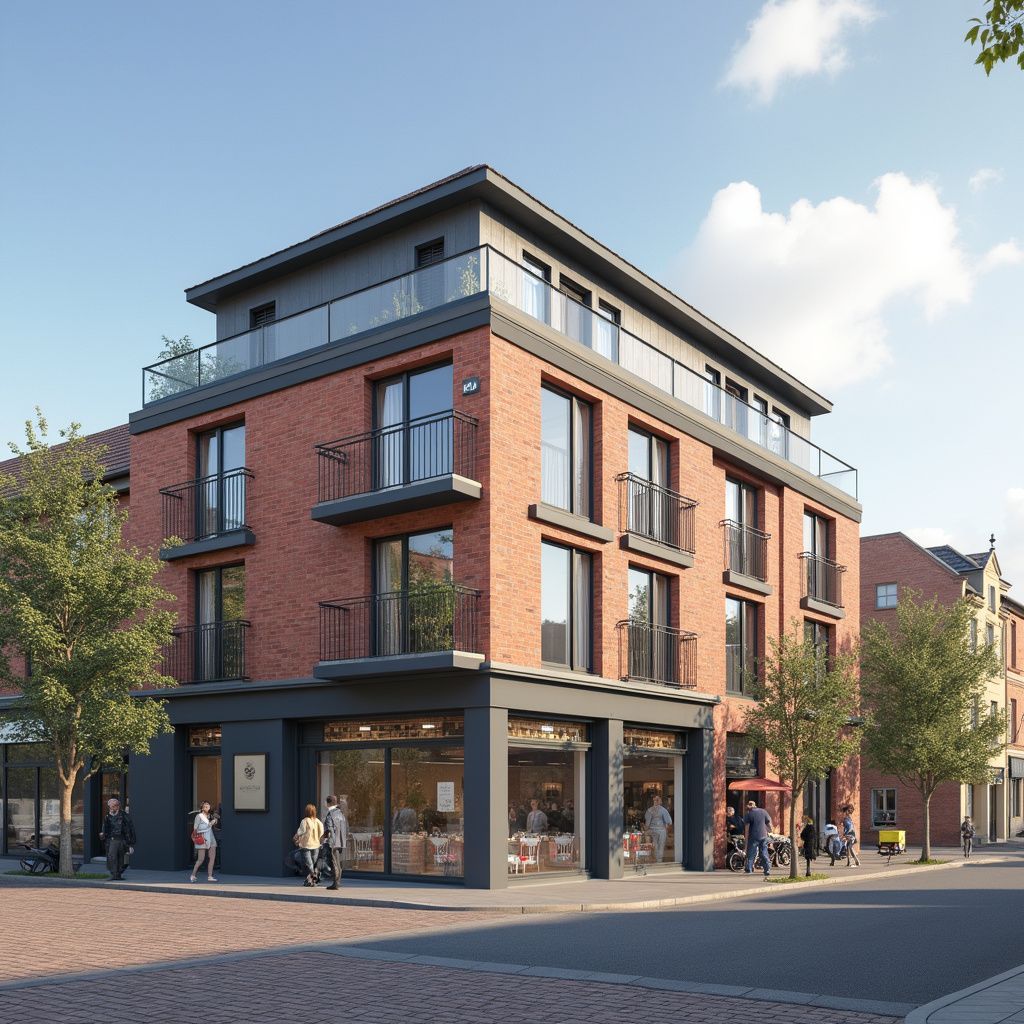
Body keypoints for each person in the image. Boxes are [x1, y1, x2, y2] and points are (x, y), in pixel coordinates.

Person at [99, 797, 136, 880]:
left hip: (122, 839)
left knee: (123, 858)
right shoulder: (107, 816)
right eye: (110, 806)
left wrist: (131, 842)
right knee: (112, 857)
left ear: (118, 806)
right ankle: (114, 874)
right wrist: (103, 835)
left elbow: (130, 828)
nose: (112, 808)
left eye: (114, 806)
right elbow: (104, 828)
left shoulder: (124, 815)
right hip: (112, 840)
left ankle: (118, 874)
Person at [293, 803, 324, 887]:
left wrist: (296, 836)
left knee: (309, 864)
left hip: (306, 845)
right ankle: (312, 880)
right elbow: (321, 831)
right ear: (314, 811)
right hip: (316, 845)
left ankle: (312, 878)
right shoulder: (317, 821)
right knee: (312, 863)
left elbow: (301, 831)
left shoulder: (305, 820)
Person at [323, 794, 348, 890]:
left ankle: (335, 883)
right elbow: (345, 827)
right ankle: (338, 881)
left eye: (325, 802)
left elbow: (329, 828)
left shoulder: (330, 814)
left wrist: (328, 839)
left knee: (334, 862)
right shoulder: (340, 813)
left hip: (333, 841)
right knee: (338, 862)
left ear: (328, 803)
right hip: (340, 841)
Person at [742, 799, 773, 878]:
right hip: (764, 835)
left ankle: (749, 869)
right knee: (763, 852)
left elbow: (747, 828)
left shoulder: (748, 814)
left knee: (751, 853)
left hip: (753, 836)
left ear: (749, 807)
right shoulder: (763, 811)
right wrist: (769, 831)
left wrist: (746, 839)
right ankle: (767, 869)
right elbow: (769, 823)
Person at [189, 801, 218, 882]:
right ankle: (193, 875)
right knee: (201, 859)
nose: (207, 807)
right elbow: (196, 829)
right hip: (203, 839)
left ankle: (210, 876)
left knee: (212, 858)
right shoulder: (199, 816)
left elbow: (215, 825)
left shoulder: (210, 815)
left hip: (211, 838)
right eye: (205, 806)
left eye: (208, 805)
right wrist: (209, 825)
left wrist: (214, 821)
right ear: (202, 808)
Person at [644, 794, 673, 862]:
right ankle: (659, 860)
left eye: (657, 800)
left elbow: (647, 823)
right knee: (661, 845)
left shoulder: (649, 810)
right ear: (661, 802)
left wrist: (646, 829)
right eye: (656, 800)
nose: (656, 801)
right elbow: (669, 822)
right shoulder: (663, 810)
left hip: (653, 830)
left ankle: (657, 859)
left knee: (655, 845)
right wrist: (667, 827)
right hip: (661, 830)